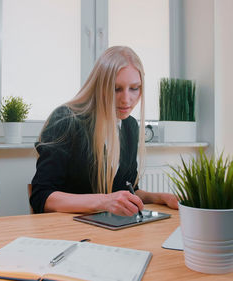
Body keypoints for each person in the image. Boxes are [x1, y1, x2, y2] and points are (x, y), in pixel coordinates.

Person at [30, 46, 178, 216]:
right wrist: (104, 201)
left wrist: (161, 197)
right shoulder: (65, 120)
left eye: (134, 88)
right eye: (116, 89)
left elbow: (128, 190)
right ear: (99, 86)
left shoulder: (130, 126)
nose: (126, 99)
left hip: (109, 228)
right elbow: (42, 196)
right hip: (69, 231)